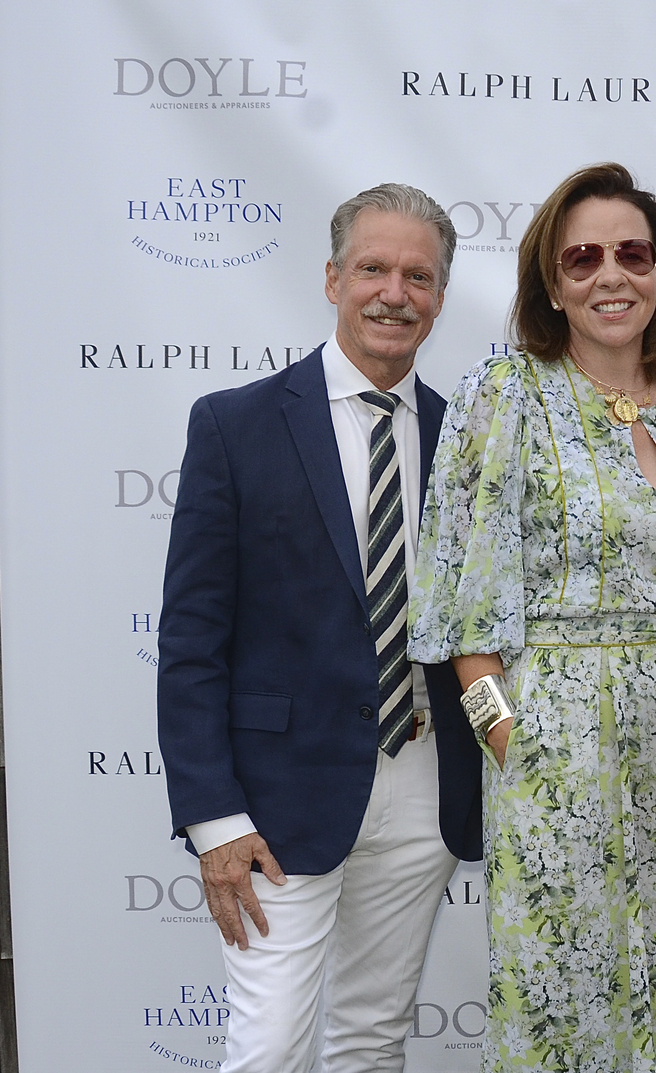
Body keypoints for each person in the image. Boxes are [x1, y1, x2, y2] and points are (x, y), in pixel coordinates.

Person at [407, 162, 656, 1072]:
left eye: (632, 254)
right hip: (555, 754)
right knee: (558, 1003)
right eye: (581, 258)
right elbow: (466, 605)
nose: (608, 275)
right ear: (552, 282)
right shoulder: (504, 395)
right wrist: (511, 742)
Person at [156, 183, 482, 1073]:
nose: (395, 292)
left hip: (423, 784)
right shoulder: (235, 424)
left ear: (441, 300)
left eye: (419, 276)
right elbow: (189, 641)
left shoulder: (468, 440)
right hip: (274, 804)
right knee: (267, 1048)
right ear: (333, 277)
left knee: (372, 1039)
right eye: (374, 268)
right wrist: (214, 817)